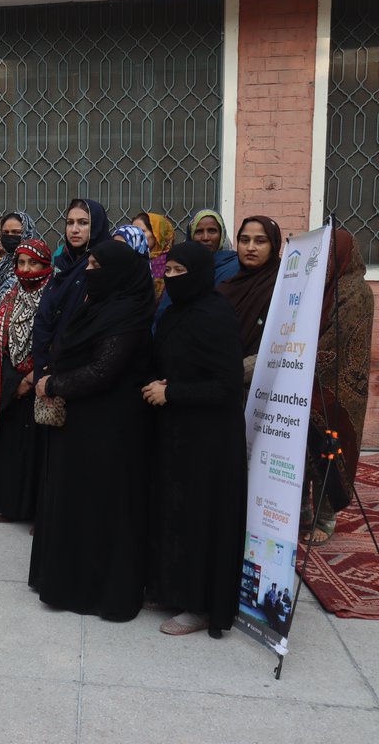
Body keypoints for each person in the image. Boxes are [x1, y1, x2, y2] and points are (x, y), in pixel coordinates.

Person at [30, 240, 155, 622]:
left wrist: (53, 385)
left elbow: (104, 371)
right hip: (80, 423)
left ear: (116, 273)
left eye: (98, 264)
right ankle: (66, 583)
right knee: (73, 502)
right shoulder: (98, 304)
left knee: (100, 507)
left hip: (111, 429)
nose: (89, 270)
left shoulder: (127, 314)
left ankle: (98, 592)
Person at [141, 241, 245, 637]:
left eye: (180, 273)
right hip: (176, 434)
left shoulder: (216, 315)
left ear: (201, 274)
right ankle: (172, 588)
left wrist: (172, 393)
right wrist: (161, 383)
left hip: (210, 442)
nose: (171, 279)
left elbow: (226, 386)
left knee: (200, 519)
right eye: (168, 272)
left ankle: (200, 604)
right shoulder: (173, 314)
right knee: (174, 514)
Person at [303, 228, 373, 545]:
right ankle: (303, 511)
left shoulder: (355, 292)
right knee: (306, 450)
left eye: (332, 254)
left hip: (340, 389)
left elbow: (336, 340)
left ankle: (326, 516)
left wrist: (297, 356)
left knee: (332, 451)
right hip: (311, 381)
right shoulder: (321, 288)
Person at [0, 238, 53, 521]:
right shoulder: (12, 293)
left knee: (39, 450)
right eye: (21, 263)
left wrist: (32, 375)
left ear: (45, 265)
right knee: (11, 446)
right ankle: (10, 506)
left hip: (41, 380)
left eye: (33, 263)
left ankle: (39, 514)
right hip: (10, 380)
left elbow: (56, 339)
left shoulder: (53, 294)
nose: (26, 269)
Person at [33, 198, 111, 382]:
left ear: (97, 226)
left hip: (80, 368)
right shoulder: (61, 263)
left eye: (83, 223)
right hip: (47, 363)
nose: (74, 229)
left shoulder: (102, 266)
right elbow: (45, 315)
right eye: (70, 223)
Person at [216, 215, 282, 382]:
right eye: (244, 240)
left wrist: (230, 374)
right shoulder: (224, 288)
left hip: (266, 388)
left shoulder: (285, 286)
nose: (250, 247)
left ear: (273, 245)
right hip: (217, 387)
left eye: (260, 241)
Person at [155, 209, 241, 320]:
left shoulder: (234, 266)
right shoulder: (179, 265)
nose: (205, 237)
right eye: (199, 232)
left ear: (222, 235)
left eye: (212, 231)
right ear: (191, 235)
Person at [133, 212, 176, 301]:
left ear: (158, 234)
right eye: (133, 231)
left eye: (142, 231)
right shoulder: (131, 260)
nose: (136, 236)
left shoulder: (173, 263)